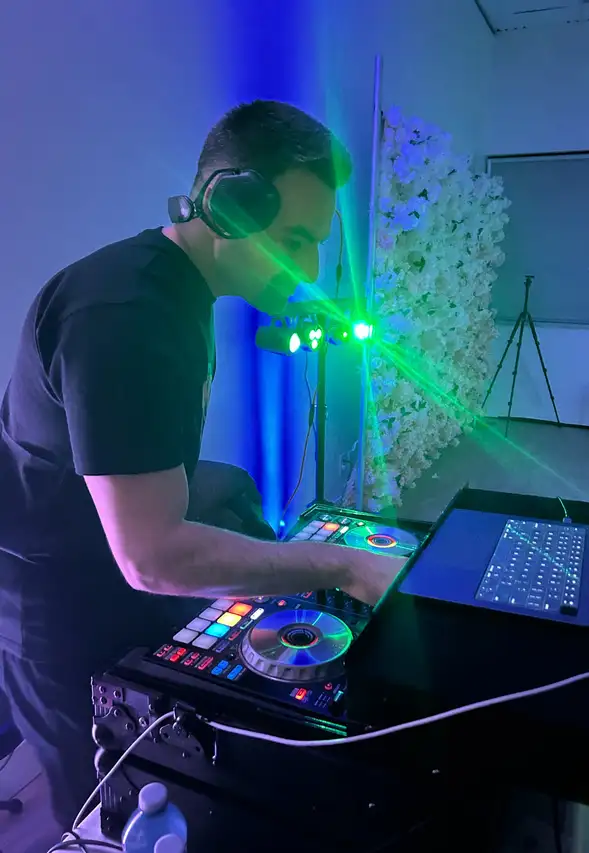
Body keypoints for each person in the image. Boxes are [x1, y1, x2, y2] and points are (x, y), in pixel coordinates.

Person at [0, 100, 402, 831]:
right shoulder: (126, 314)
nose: (311, 269)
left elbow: (146, 471)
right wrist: (341, 565)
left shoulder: (176, 292)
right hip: (61, 612)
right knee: (108, 818)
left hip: (107, 571)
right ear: (228, 207)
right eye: (297, 240)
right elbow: (151, 556)